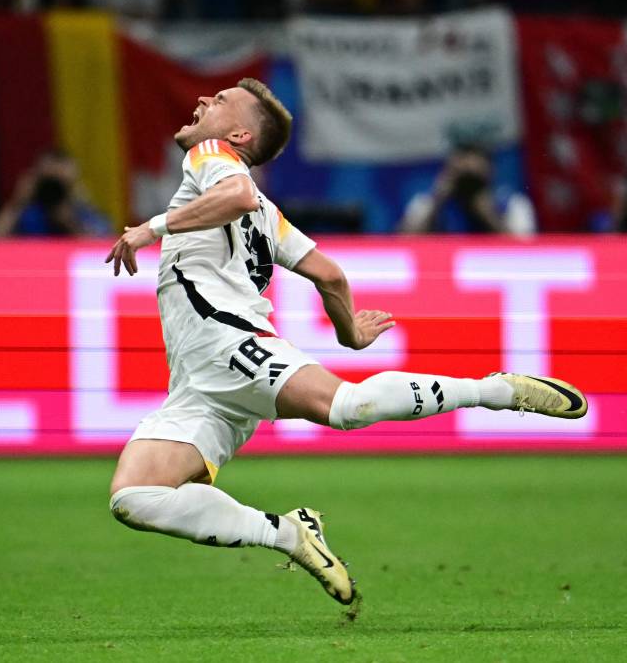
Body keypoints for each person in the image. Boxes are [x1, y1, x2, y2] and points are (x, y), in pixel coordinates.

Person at [104, 78, 587, 610]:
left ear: (239, 134)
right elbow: (329, 275)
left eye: (218, 102)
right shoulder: (268, 215)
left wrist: (151, 228)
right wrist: (348, 330)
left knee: (346, 406)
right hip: (197, 386)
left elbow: (237, 193)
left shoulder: (210, 154)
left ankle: (494, 391)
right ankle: (289, 533)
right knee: (135, 497)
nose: (201, 102)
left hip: (229, 345)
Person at [399, 144, 535, 235]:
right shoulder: (428, 201)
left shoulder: (512, 202)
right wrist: (437, 202)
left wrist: (489, 215)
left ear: (490, 172)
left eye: (473, 175)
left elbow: (525, 251)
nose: (467, 182)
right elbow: (404, 243)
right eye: (461, 173)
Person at [0, 150, 111, 237]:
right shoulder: (27, 214)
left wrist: (70, 222)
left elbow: (101, 255)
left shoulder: (85, 214)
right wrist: (17, 203)